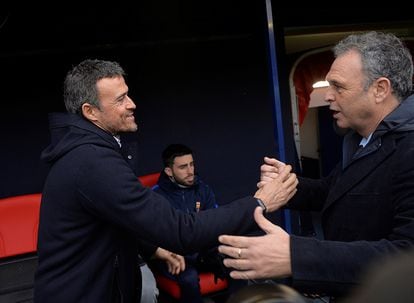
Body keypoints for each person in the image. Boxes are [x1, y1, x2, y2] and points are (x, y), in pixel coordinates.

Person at [34, 58, 298, 303]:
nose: (132, 104)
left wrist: (153, 249)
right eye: (121, 99)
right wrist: (260, 202)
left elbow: (115, 219)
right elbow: (182, 231)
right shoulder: (92, 162)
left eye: (128, 94)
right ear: (91, 112)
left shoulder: (90, 153)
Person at [217, 31, 414, 299]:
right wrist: (286, 185)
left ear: (380, 89)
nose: (328, 96)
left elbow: (406, 257)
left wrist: (295, 256)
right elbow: (334, 191)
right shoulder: (361, 140)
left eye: (338, 86)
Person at [150, 143, 241, 303]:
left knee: (237, 263)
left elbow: (215, 223)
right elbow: (153, 235)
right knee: (189, 279)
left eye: (192, 164)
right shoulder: (156, 197)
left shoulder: (203, 190)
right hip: (174, 256)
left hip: (202, 251)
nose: (190, 171)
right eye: (183, 167)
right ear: (169, 171)